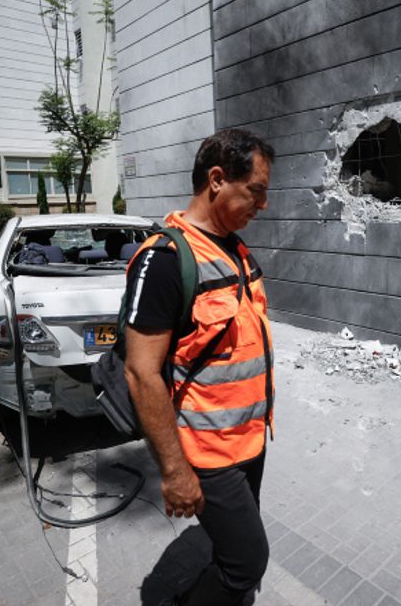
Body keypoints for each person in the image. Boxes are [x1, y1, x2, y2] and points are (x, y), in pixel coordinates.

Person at [122, 128, 275, 606]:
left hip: (249, 440)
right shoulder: (165, 259)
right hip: (207, 453)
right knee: (248, 561)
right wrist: (174, 471)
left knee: (232, 551)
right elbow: (140, 373)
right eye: (256, 191)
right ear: (216, 180)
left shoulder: (235, 247)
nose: (263, 205)